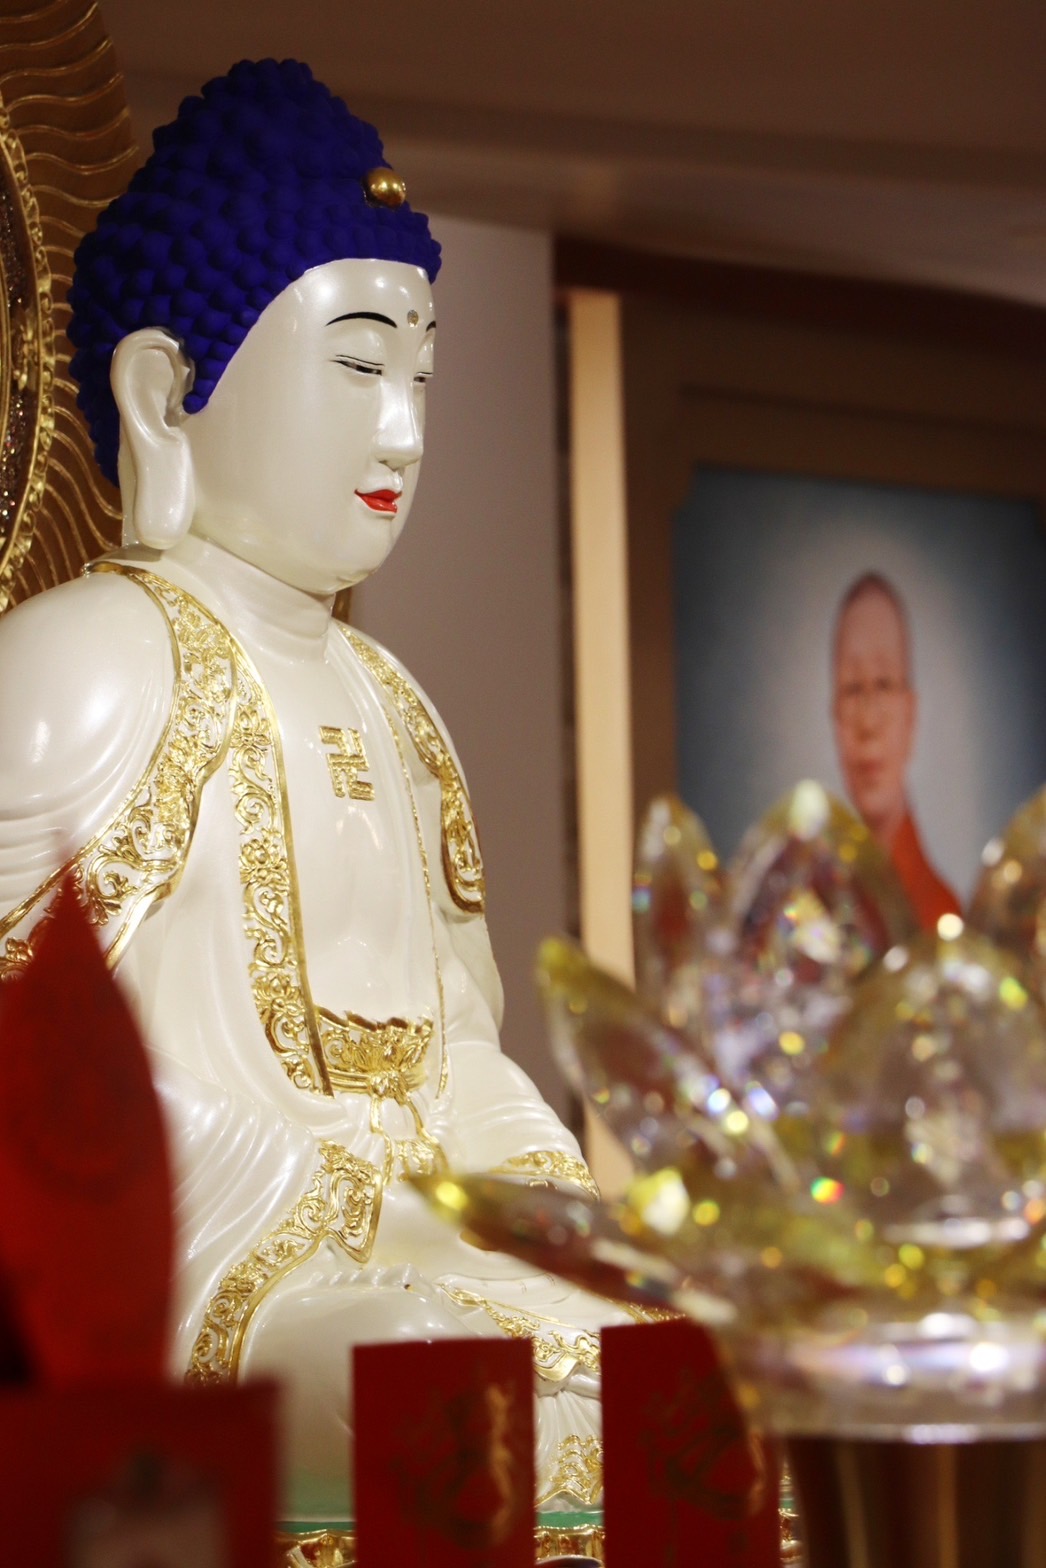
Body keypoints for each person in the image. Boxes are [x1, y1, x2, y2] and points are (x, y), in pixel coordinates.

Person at [0, 61, 621, 1523]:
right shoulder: (82, 662)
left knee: (689, 1350)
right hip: (204, 1272)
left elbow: (452, 1043)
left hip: (419, 1246)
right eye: (356, 366)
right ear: (165, 393)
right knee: (435, 1381)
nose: (403, 430)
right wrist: (331, 1195)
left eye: (421, 375)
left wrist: (547, 1195)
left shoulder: (395, 707)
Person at [831, 571, 960, 930]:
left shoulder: (941, 917)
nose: (868, 723)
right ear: (834, 717)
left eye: (884, 684)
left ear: (911, 715)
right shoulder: (820, 907)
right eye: (852, 689)